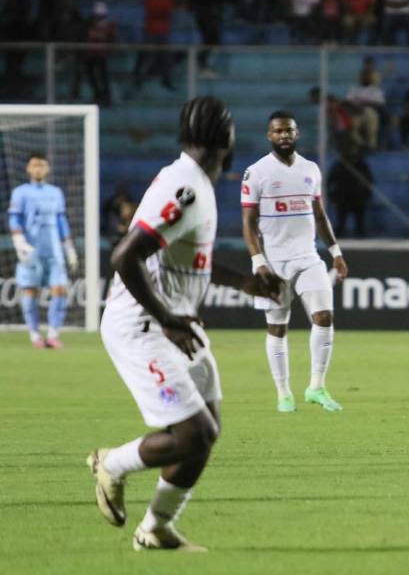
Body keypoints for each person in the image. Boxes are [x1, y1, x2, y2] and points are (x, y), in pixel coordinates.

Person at [87, 96, 283, 551]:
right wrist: (165, 317)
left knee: (206, 429)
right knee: (193, 433)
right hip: (143, 323)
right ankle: (110, 464)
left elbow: (193, 258)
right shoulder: (187, 188)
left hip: (174, 321)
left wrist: (246, 284)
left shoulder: (192, 183)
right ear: (227, 144)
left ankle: (155, 528)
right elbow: (124, 255)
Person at [242, 111, 348, 413]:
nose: (284, 135)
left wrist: (336, 252)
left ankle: (316, 386)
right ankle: (283, 393)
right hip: (272, 261)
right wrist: (258, 260)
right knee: (277, 327)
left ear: (297, 133)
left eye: (289, 131)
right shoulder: (256, 172)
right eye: (278, 131)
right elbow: (248, 223)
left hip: (307, 257)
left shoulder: (310, 169)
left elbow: (319, 215)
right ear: (269, 136)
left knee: (324, 317)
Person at [8, 153, 78, 348]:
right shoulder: (20, 193)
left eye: (41, 165)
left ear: (47, 168)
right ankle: (34, 335)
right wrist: (19, 241)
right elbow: (15, 218)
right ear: (28, 169)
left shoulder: (55, 193)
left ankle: (54, 334)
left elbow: (61, 220)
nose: (38, 168)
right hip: (31, 250)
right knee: (30, 292)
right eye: (34, 165)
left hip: (54, 250)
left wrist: (69, 248)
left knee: (60, 290)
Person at [327, 149, 374, 237]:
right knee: (341, 220)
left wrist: (367, 194)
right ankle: (339, 235)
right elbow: (330, 181)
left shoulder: (361, 165)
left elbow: (369, 181)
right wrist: (331, 195)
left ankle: (360, 234)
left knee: (359, 222)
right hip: (343, 197)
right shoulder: (340, 165)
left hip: (357, 197)